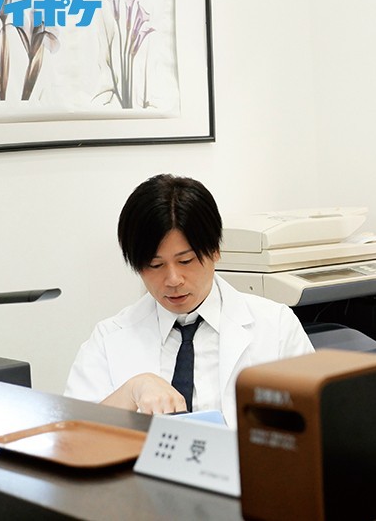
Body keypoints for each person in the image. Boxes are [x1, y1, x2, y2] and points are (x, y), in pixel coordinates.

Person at [65, 174, 314, 426]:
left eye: (186, 261)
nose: (173, 279)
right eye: (155, 265)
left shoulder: (276, 327)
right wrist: (132, 390)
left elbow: (315, 427)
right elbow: (73, 436)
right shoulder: (109, 338)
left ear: (215, 250)